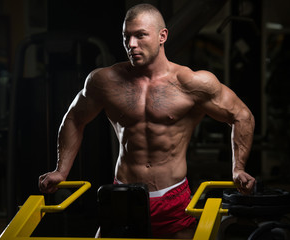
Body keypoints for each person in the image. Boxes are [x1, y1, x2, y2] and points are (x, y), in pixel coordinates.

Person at [39, 3, 255, 239]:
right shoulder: (104, 82)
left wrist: (238, 168)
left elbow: (241, 115)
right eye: (126, 37)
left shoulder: (192, 83)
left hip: (173, 199)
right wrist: (61, 171)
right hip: (123, 195)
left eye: (140, 35)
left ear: (162, 36)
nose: (131, 44)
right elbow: (74, 118)